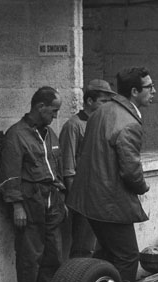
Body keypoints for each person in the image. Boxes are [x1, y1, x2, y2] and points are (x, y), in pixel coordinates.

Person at [67, 67, 153, 282]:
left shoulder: (101, 112)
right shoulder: (129, 123)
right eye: (149, 87)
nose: (154, 91)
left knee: (105, 254)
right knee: (127, 256)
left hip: (89, 199)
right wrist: (143, 187)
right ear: (134, 91)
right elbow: (131, 170)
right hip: (110, 204)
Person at [1, 86, 67, 282]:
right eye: (53, 110)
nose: (55, 116)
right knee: (30, 258)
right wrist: (17, 205)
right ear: (40, 107)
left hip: (52, 202)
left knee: (53, 255)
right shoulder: (16, 135)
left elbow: (55, 168)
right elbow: (10, 173)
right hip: (30, 204)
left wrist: (61, 196)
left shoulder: (49, 134)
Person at [59, 79, 116, 258]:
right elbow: (68, 167)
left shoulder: (104, 124)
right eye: (103, 101)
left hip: (102, 195)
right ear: (90, 101)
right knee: (83, 246)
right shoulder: (74, 126)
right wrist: (77, 200)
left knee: (102, 245)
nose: (106, 106)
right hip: (83, 197)